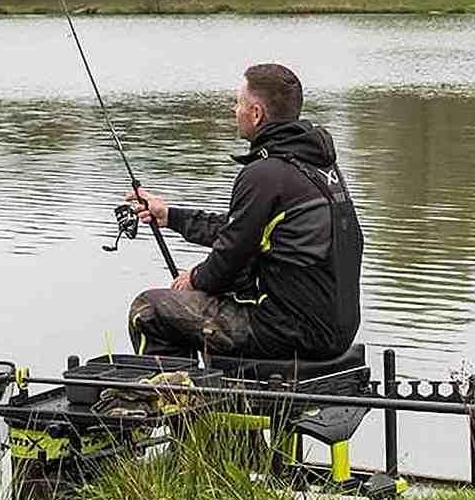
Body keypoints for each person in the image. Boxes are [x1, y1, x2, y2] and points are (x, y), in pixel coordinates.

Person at [127, 62, 363, 362]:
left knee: (149, 310)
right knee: (213, 296)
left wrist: (195, 279)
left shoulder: (264, 173)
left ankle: (176, 392)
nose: (234, 110)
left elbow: (229, 259)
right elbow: (242, 232)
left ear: (256, 113)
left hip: (292, 332)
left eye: (238, 103)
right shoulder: (318, 165)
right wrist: (171, 216)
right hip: (335, 330)